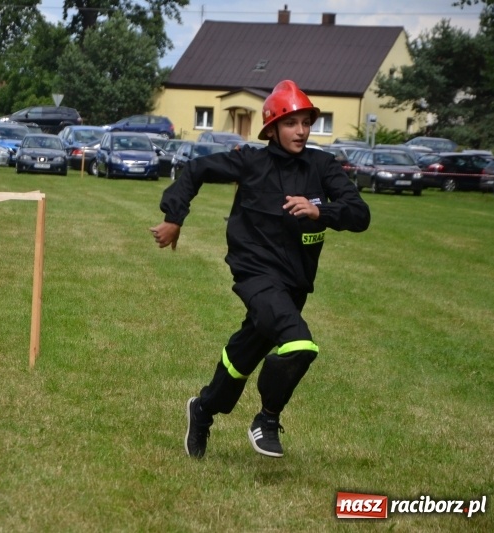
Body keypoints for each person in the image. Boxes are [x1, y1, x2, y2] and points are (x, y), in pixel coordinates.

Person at [150, 80, 371, 459]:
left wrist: (322, 211)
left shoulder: (323, 166)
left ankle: (202, 409)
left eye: (306, 122)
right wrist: (175, 218)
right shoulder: (250, 162)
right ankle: (267, 419)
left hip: (296, 283)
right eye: (291, 123)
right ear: (271, 129)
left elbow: (360, 214)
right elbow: (196, 169)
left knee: (245, 353)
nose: (301, 131)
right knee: (299, 344)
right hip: (255, 274)